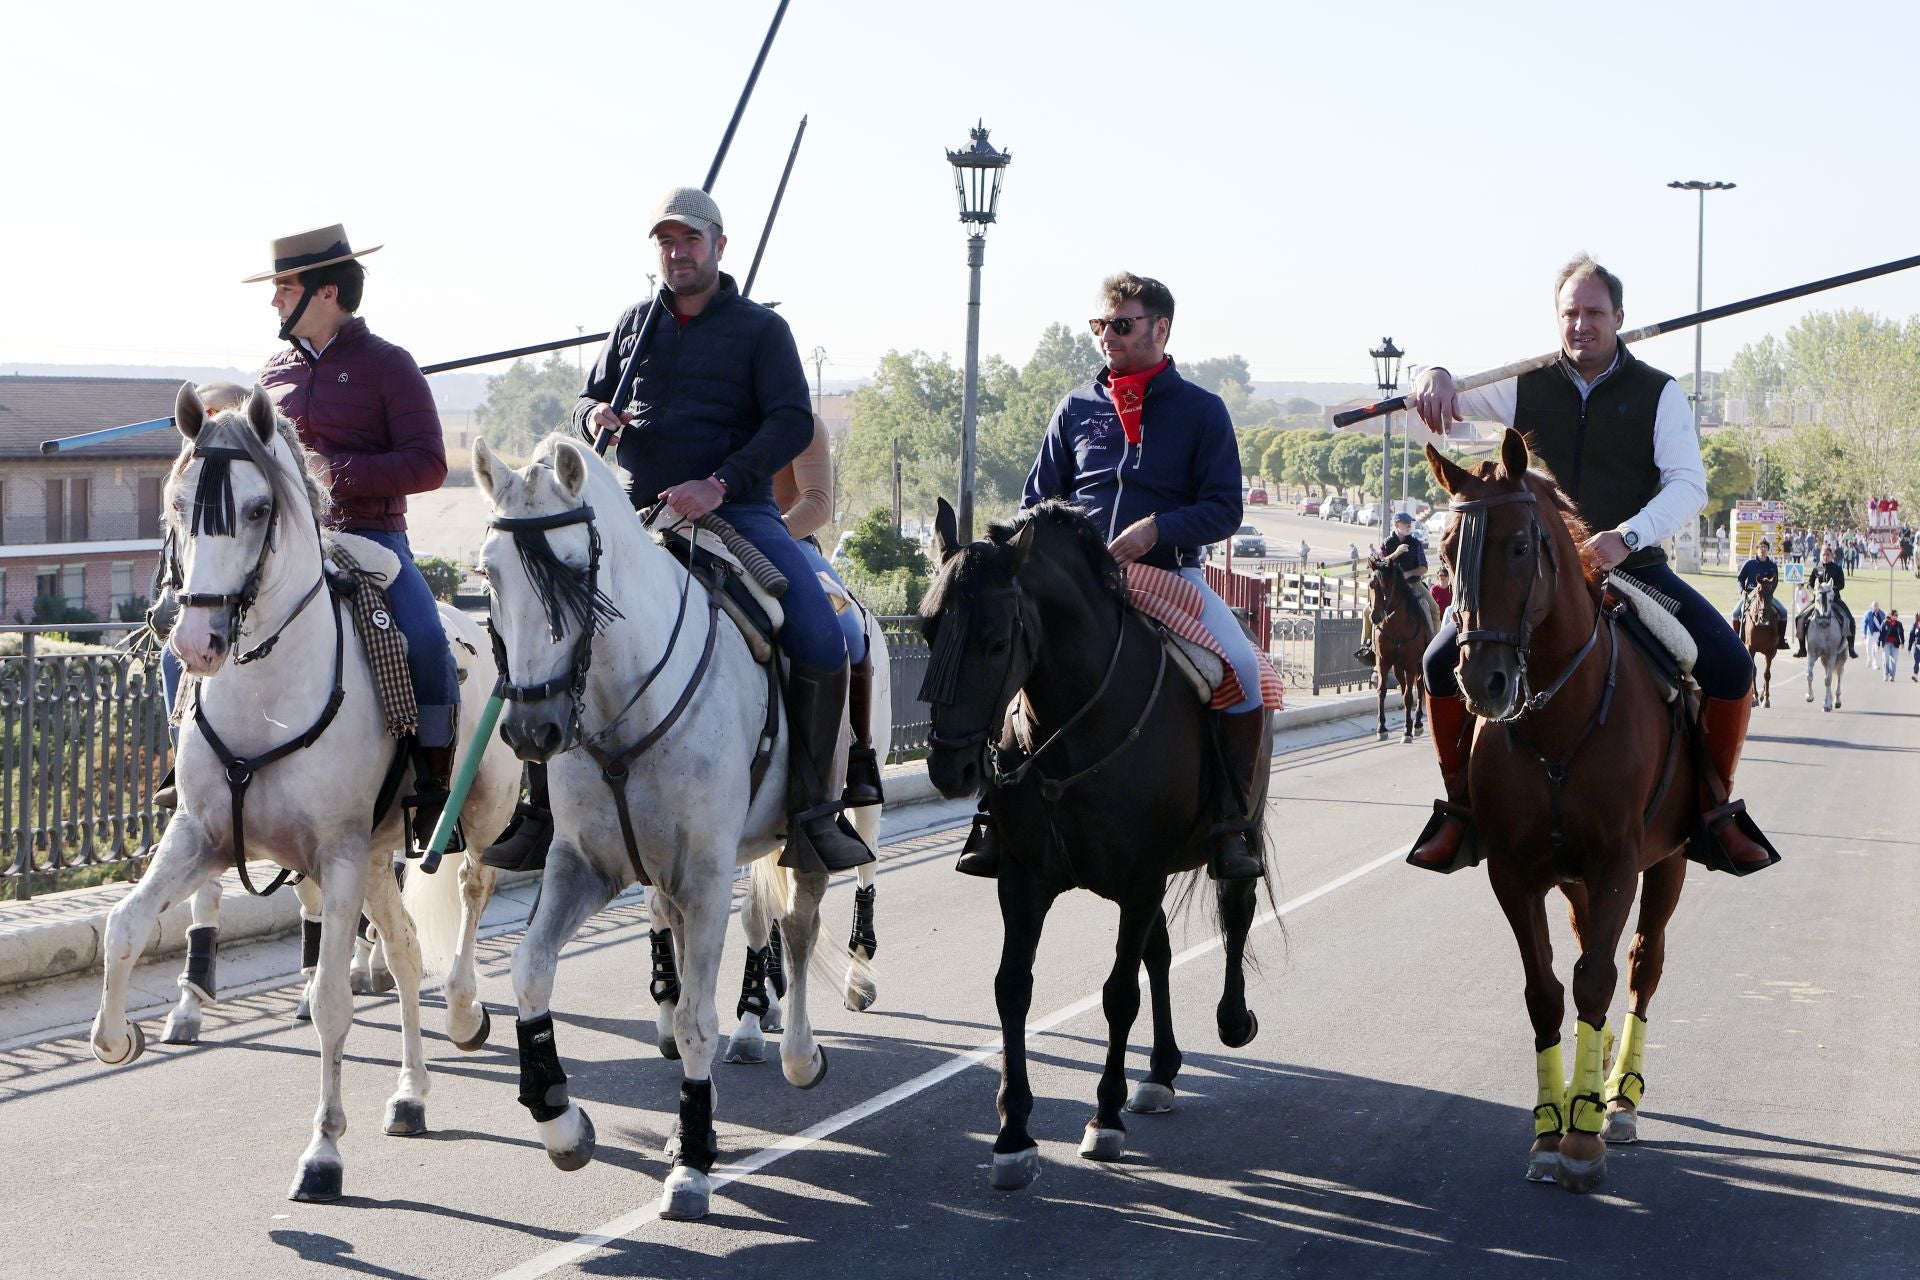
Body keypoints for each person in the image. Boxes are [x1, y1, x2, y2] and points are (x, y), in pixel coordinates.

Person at [517, 186, 872, 876]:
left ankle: (810, 812)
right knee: (546, 625)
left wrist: (720, 484)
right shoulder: (633, 323)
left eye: (690, 241)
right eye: (666, 243)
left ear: (718, 247)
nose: (678, 254)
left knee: (822, 636)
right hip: (634, 516)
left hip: (734, 514)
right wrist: (596, 418)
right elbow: (593, 394)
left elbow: (791, 422)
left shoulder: (762, 333)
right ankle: (541, 813)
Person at [1405, 254, 1772, 874]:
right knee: (1440, 660)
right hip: (1534, 573)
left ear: (1619, 318)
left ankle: (1713, 808)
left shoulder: (1660, 392)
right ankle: (1461, 805)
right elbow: (1442, 393)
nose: (1581, 325)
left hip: (1632, 567)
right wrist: (1432, 373)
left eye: (1594, 313)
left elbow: (1689, 486)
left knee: (1732, 668)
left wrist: (1624, 537)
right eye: (1571, 313)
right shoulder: (1527, 382)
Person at [157, 226, 461, 856]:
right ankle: (187, 770)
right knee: (177, 642)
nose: (273, 300)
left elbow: (428, 465)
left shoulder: (390, 366)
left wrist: (324, 470)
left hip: (371, 536)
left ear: (327, 291)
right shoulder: (275, 372)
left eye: (284, 287)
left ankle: (433, 785)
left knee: (427, 639)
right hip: (285, 547)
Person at [957, 271, 1263, 882]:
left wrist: (1159, 530)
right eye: (1100, 325)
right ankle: (993, 809)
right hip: (1077, 588)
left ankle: (1232, 823)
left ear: (1161, 327)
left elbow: (1226, 507)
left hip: (1167, 576)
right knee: (1004, 653)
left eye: (1121, 325)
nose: (1107, 336)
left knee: (1246, 672)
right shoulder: (1074, 407)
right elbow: (1037, 498)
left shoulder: (1203, 411)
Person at [774, 413, 883, 806]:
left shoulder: (802, 422)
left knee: (850, 630)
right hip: (702, 536)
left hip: (784, 543)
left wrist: (769, 533)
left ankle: (859, 756)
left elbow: (817, 504)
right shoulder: (706, 412)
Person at [1354, 510, 1439, 665]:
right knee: (1367, 610)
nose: (1409, 526)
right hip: (1391, 588)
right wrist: (1396, 553)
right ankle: (1366, 645)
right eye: (1405, 523)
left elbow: (1424, 567)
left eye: (1410, 523)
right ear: (1396, 525)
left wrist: (1407, 574)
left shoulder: (1416, 543)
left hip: (1414, 584)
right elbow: (1378, 564)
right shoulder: (1387, 543)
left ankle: (1434, 644)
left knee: (1433, 608)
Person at [1792, 547, 1858, 658]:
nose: (1825, 557)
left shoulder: (1837, 569)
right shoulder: (1816, 569)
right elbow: (1809, 584)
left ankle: (1851, 648)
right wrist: (1814, 591)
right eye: (1823, 555)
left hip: (1834, 600)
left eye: (1828, 555)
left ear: (1832, 556)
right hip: (1817, 600)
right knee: (1799, 618)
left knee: (1850, 619)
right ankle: (1802, 649)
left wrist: (1831, 590)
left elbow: (1841, 584)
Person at [1732, 538, 1786, 633]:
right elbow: (1740, 579)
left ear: (1768, 550)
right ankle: (1736, 640)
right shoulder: (1749, 564)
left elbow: (1775, 582)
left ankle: (1781, 640)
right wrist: (1742, 591)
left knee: (1783, 612)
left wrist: (1769, 593)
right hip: (1749, 595)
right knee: (1735, 613)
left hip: (1766, 596)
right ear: (1757, 549)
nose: (1763, 549)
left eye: (1765, 547)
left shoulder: (1772, 566)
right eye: (1761, 547)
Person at [1878, 609, 1906, 682]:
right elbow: (1880, 633)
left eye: (1897, 615)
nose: (1896, 617)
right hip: (1886, 643)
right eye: (1895, 615)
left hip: (1895, 644)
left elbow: (1901, 634)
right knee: (1886, 659)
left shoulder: (1899, 624)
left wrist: (1903, 642)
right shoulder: (1885, 623)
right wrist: (1879, 643)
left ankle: (1892, 676)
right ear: (1891, 615)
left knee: (1894, 661)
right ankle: (1885, 675)